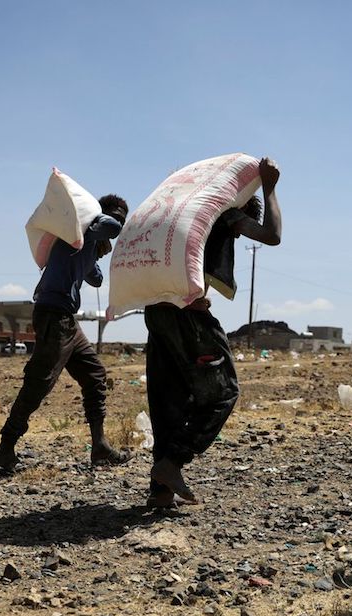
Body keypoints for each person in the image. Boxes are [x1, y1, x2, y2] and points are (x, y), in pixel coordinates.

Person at [144, 157, 283, 508]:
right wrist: (270, 187)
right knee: (223, 392)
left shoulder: (178, 214)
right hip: (189, 316)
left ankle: (160, 492)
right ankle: (173, 462)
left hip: (156, 311)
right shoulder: (225, 213)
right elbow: (273, 236)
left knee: (168, 398)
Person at [0, 194, 132, 472]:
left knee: (94, 375)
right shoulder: (80, 228)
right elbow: (110, 228)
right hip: (53, 314)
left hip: (65, 318)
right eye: (116, 217)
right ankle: (5, 448)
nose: (118, 224)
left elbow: (96, 278)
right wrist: (111, 229)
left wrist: (95, 251)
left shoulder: (85, 240)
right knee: (39, 382)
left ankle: (99, 446)